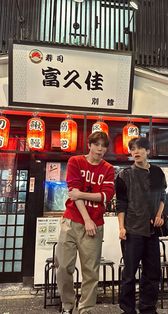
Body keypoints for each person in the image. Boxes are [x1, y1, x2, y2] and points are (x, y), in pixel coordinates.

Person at [55, 131, 115, 314]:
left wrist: (80, 194)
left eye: (104, 146)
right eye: (97, 144)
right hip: (71, 221)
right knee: (64, 267)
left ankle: (86, 309)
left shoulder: (108, 168)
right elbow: (73, 190)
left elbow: (106, 195)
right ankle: (67, 305)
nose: (100, 149)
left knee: (91, 271)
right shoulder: (75, 161)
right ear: (89, 145)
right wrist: (86, 218)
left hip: (95, 225)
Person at [115, 137, 167, 314]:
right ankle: (127, 309)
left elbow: (162, 197)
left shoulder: (158, 172)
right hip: (132, 230)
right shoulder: (124, 175)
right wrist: (121, 227)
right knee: (129, 274)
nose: (135, 152)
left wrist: (159, 215)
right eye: (132, 149)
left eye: (139, 148)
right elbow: (120, 204)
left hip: (152, 231)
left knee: (152, 273)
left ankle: (148, 308)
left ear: (147, 151)